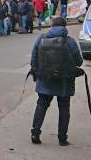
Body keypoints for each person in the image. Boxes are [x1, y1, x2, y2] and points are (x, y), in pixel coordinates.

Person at [30, 17, 83, 146]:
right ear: (65, 27)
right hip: (64, 81)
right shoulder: (70, 41)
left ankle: (35, 133)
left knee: (41, 105)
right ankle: (62, 138)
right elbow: (79, 62)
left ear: (52, 26)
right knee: (64, 108)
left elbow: (33, 58)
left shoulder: (41, 38)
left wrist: (36, 72)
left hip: (45, 79)